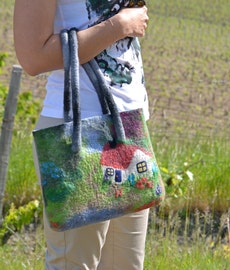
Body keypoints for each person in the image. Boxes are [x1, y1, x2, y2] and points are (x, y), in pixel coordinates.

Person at [13, 0, 151, 269]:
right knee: (73, 263)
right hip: (77, 131)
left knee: (125, 264)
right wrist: (120, 25)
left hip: (130, 124)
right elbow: (33, 57)